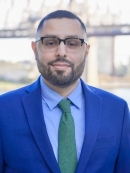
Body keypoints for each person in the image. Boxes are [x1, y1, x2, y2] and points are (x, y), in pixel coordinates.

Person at [0, 10, 130, 173]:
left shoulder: (117, 109)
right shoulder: (3, 109)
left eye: (72, 43)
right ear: (35, 49)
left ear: (87, 51)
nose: (61, 52)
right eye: (50, 42)